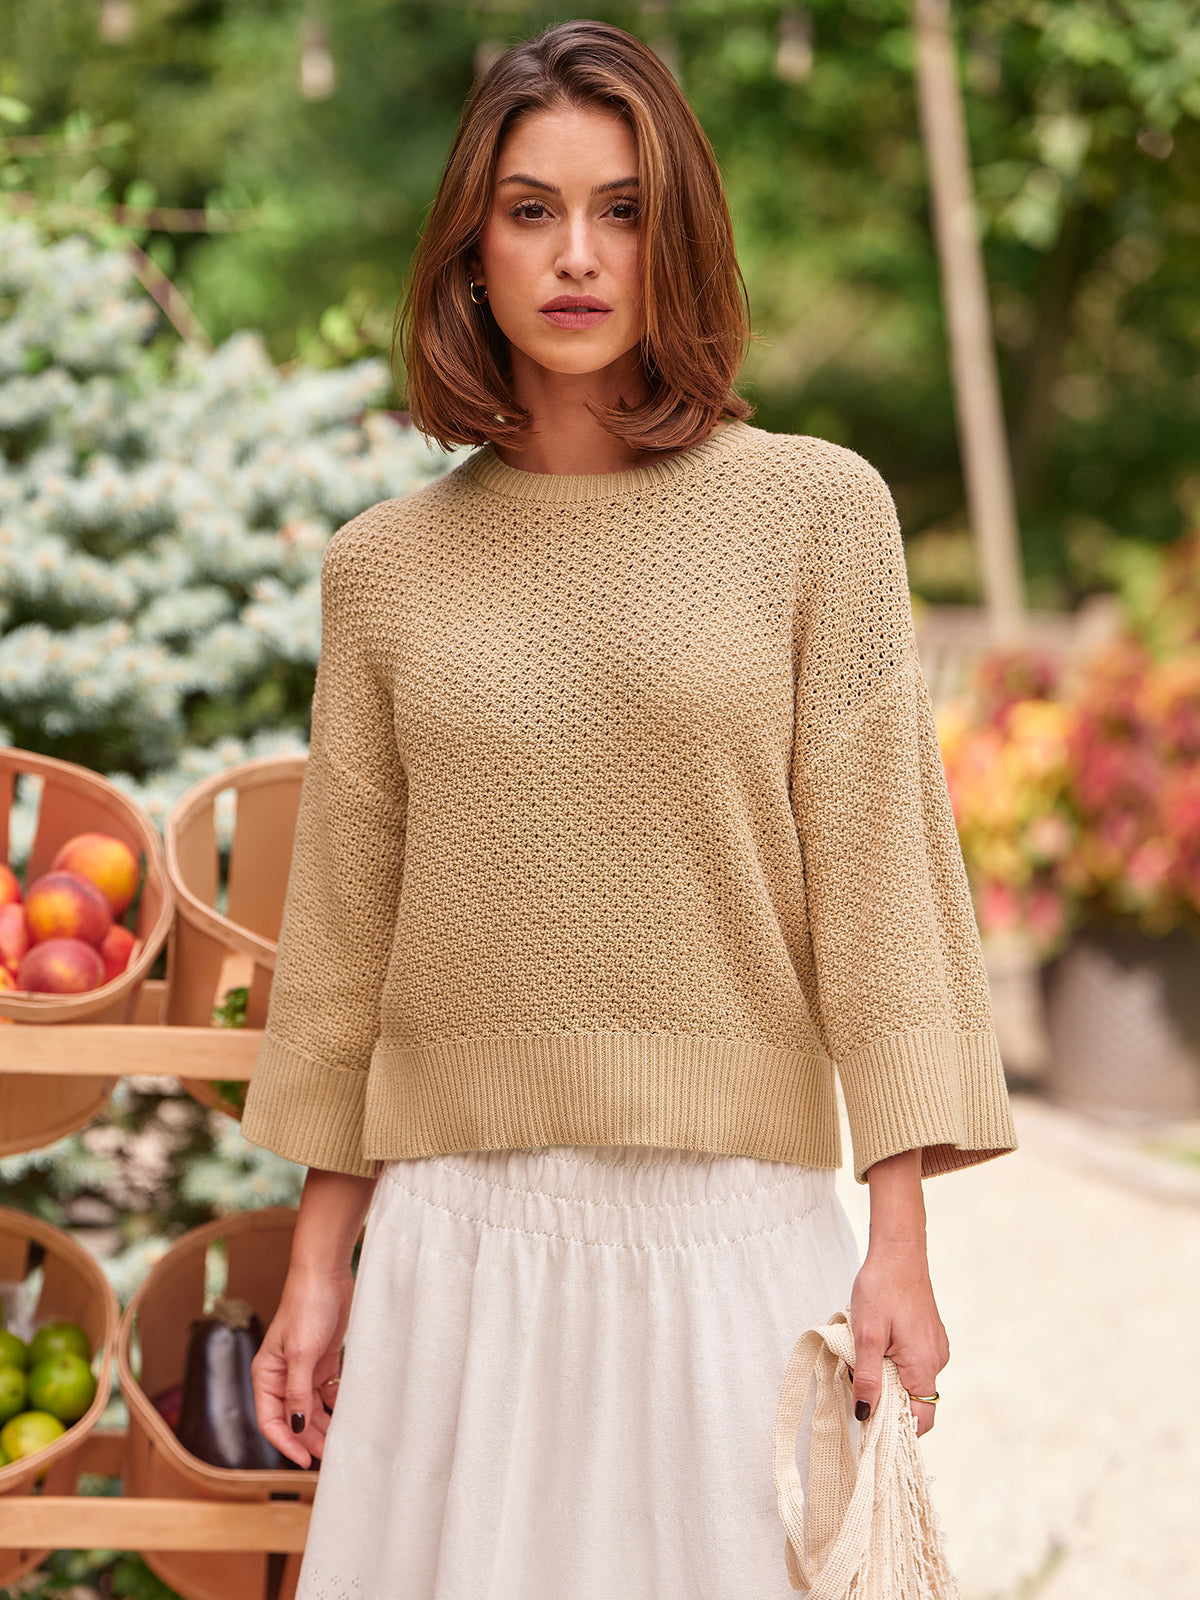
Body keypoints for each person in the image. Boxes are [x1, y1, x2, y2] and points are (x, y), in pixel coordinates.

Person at [240, 18, 1017, 1600]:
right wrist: (320, 1262)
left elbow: (882, 882)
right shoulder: (384, 565)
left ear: (684, 237)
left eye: (625, 208)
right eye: (531, 210)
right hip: (459, 1247)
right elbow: (342, 943)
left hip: (731, 1240)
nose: (578, 255)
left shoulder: (816, 513)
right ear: (473, 246)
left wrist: (900, 1238)